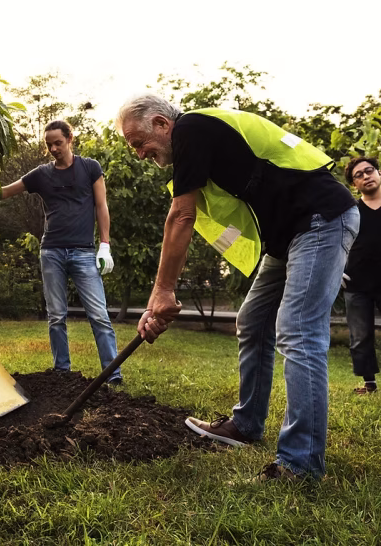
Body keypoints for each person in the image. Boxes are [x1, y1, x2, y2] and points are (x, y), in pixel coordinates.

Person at [117, 94, 358, 482]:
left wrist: (162, 291)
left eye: (137, 142)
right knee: (253, 320)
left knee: (298, 330)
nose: (139, 153)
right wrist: (160, 293)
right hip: (290, 235)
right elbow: (180, 211)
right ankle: (245, 425)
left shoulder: (192, 129)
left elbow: (181, 215)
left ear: (162, 124)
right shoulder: (199, 145)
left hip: (320, 220)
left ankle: (300, 464)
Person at [0, 120, 121, 383]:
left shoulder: (90, 168)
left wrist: (105, 244)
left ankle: (112, 374)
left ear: (71, 138)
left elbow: (101, 206)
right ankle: (62, 372)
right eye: (49, 145)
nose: (53, 149)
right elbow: (7, 192)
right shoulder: (41, 174)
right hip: (52, 252)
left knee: (99, 315)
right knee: (56, 315)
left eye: (58, 143)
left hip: (83, 252)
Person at [342, 157, 381, 395]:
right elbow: (338, 243)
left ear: (378, 172)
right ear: (354, 184)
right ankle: (370, 384)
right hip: (357, 283)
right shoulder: (351, 212)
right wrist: (339, 271)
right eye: (359, 175)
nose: (366, 176)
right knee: (359, 337)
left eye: (369, 171)